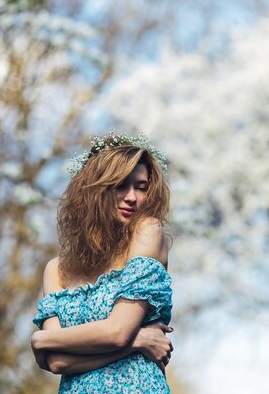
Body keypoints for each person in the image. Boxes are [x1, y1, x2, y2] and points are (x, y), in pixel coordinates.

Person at [31, 133, 174, 393]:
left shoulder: (147, 231)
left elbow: (118, 331)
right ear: (95, 188)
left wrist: (43, 338)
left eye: (141, 187)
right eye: (120, 185)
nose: (132, 197)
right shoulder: (56, 270)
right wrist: (139, 341)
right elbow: (56, 360)